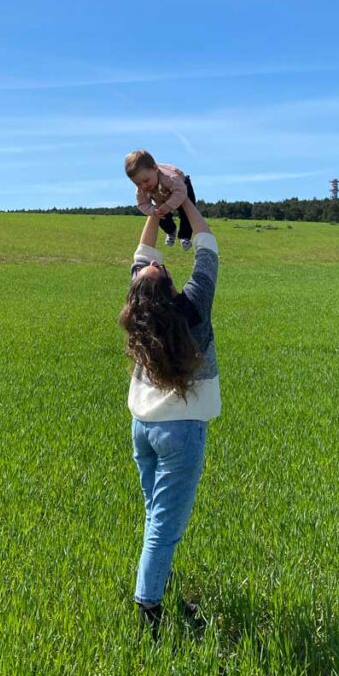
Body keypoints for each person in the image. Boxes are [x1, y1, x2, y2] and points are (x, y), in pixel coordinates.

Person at [118, 195, 220, 636]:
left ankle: (158, 581)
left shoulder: (138, 314)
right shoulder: (191, 309)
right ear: (167, 287)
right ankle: (149, 613)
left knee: (154, 515)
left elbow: (142, 259)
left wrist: (157, 217)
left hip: (144, 425)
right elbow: (208, 249)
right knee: (164, 524)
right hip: (181, 432)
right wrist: (188, 206)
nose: (150, 266)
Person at [124, 149, 198, 250]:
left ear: (155, 169)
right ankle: (171, 231)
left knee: (186, 212)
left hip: (182, 188)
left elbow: (180, 192)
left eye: (146, 180)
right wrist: (152, 210)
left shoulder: (170, 178)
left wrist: (168, 206)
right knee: (159, 214)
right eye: (138, 183)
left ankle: (185, 237)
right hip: (160, 194)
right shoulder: (142, 188)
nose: (143, 185)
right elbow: (142, 204)